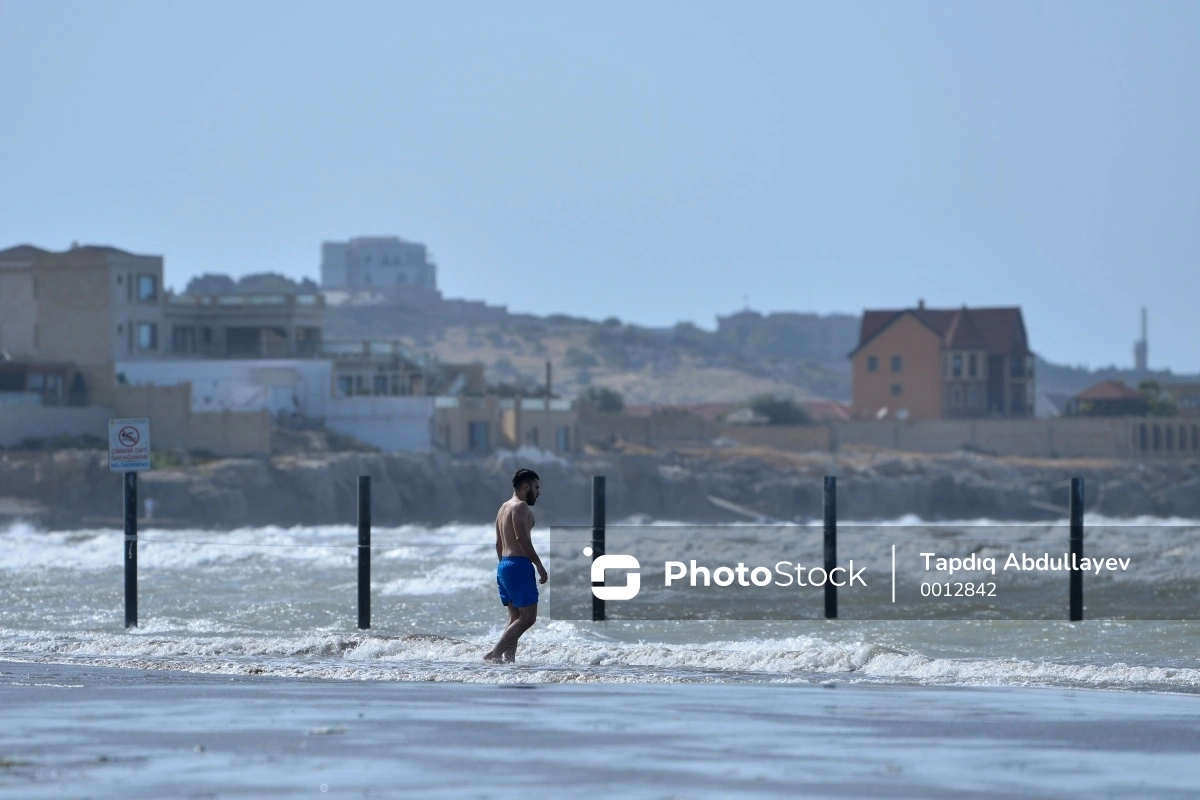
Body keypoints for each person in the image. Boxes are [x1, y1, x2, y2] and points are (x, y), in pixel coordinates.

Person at [484, 468, 548, 663]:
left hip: (504, 564)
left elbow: (498, 543)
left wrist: (504, 568)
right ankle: (494, 654)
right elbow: (521, 538)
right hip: (518, 565)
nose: (538, 492)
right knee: (528, 618)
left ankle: (508, 661)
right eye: (536, 487)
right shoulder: (520, 507)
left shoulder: (503, 508)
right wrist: (539, 564)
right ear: (525, 487)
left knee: (515, 617)